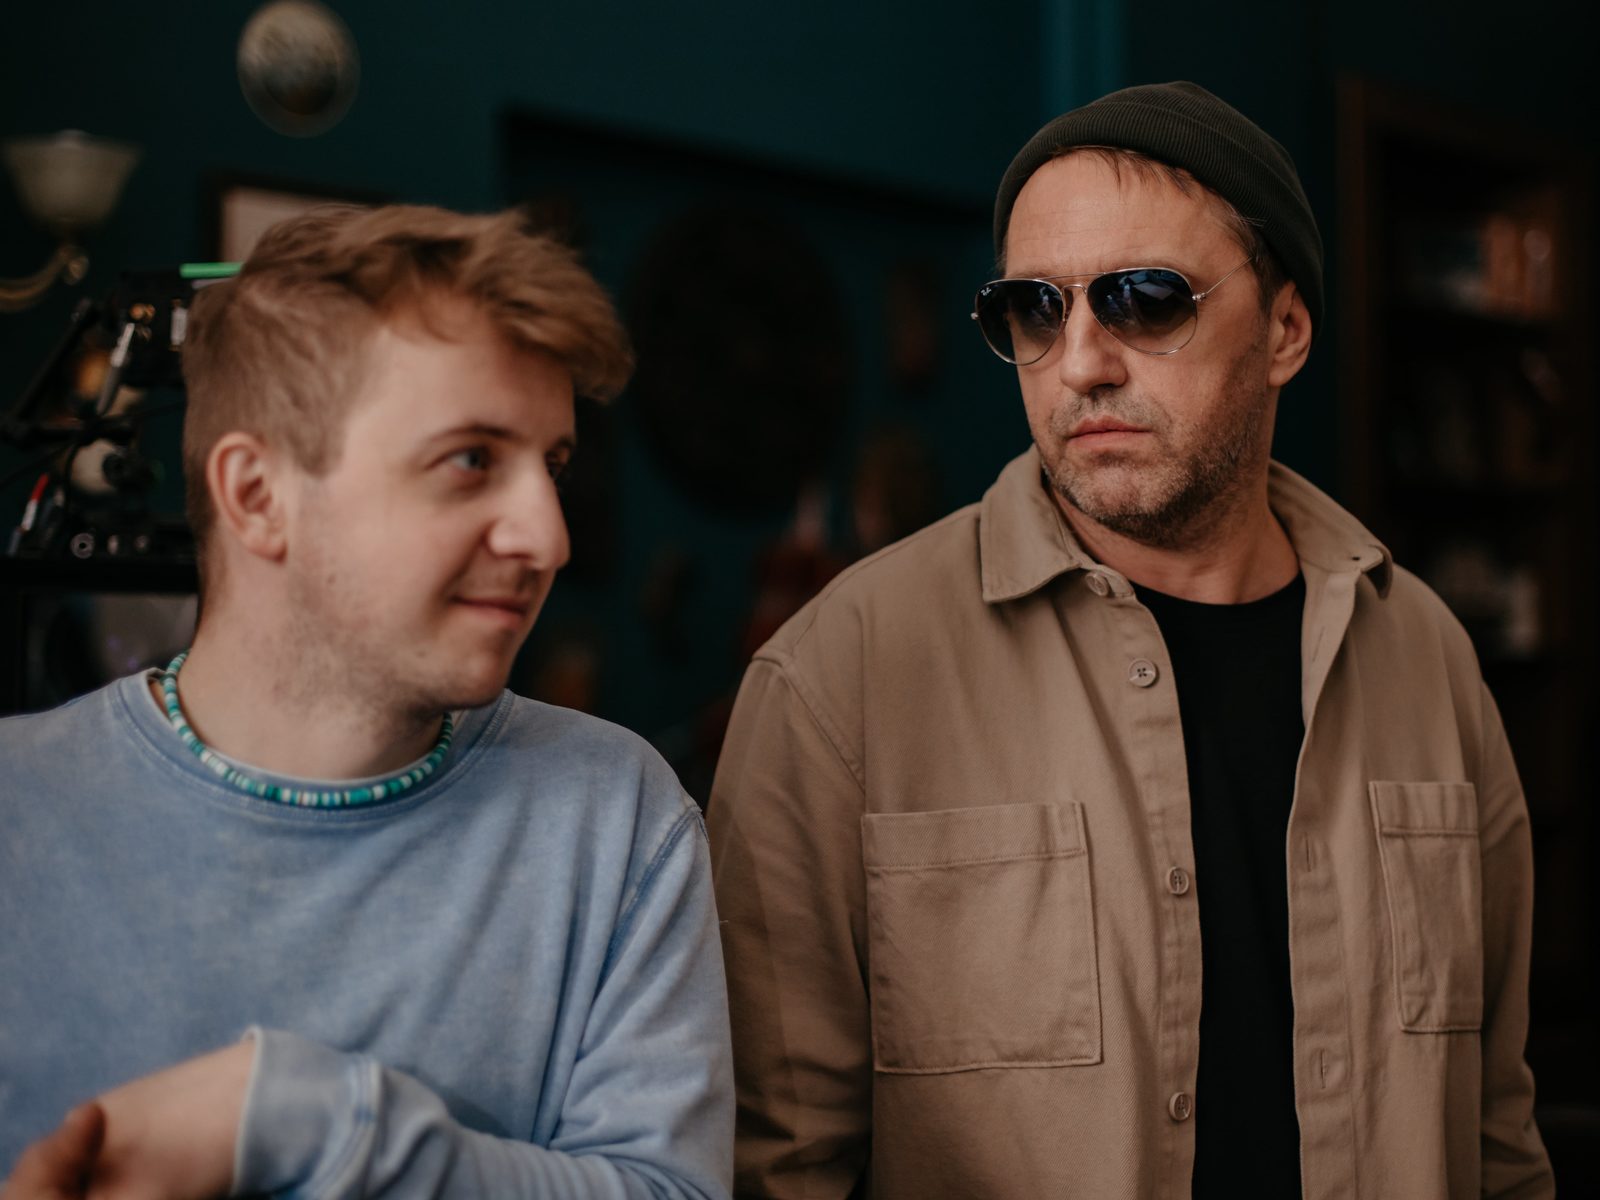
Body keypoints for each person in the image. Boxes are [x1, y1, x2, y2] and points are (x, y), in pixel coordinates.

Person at [707, 82, 1552, 1199]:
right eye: (1034, 310)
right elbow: (776, 1169)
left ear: (1285, 330)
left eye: (1145, 300)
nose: (1081, 362)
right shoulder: (838, 679)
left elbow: (1496, 1134)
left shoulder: (1426, 657)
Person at [0, 205, 732, 1198]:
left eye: (552, 468)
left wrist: (302, 1118)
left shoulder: (612, 815)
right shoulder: (18, 811)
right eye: (471, 460)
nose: (548, 539)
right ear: (257, 495)